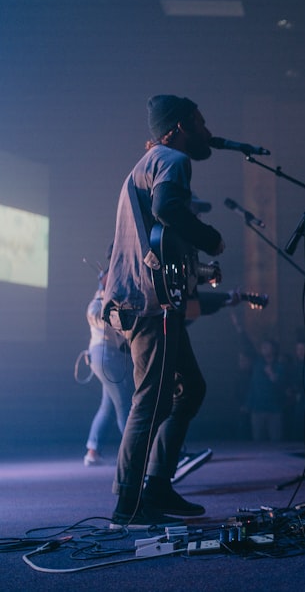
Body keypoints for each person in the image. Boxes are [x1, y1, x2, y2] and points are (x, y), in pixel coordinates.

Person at [103, 95, 225, 527]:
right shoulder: (173, 159)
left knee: (188, 388)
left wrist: (196, 267)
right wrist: (211, 239)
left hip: (145, 301)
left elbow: (156, 236)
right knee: (150, 402)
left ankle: (157, 486)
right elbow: (167, 210)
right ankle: (128, 503)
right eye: (200, 122)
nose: (207, 131)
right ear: (176, 129)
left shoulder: (149, 164)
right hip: (148, 307)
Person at [83, 270, 135, 466]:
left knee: (108, 407)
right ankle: (135, 456)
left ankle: (92, 451)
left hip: (107, 358)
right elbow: (101, 317)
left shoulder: (112, 301)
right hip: (106, 358)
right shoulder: (97, 305)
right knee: (125, 406)